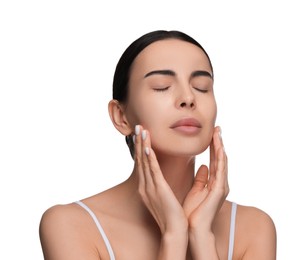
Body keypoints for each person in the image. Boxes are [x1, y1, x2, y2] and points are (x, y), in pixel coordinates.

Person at [39, 30, 276, 260]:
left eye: (202, 87)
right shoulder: (70, 224)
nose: (188, 98)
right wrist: (173, 235)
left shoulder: (254, 228)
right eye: (162, 86)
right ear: (121, 116)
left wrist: (202, 236)